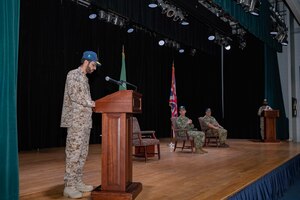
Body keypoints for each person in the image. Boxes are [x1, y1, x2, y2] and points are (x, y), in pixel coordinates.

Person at [60, 51, 101, 199]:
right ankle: (69, 186)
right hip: (75, 121)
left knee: (82, 154)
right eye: (94, 65)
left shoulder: (84, 79)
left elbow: (84, 98)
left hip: (85, 122)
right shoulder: (73, 74)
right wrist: (93, 103)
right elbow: (75, 95)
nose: (95, 68)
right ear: (86, 61)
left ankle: (77, 182)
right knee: (73, 154)